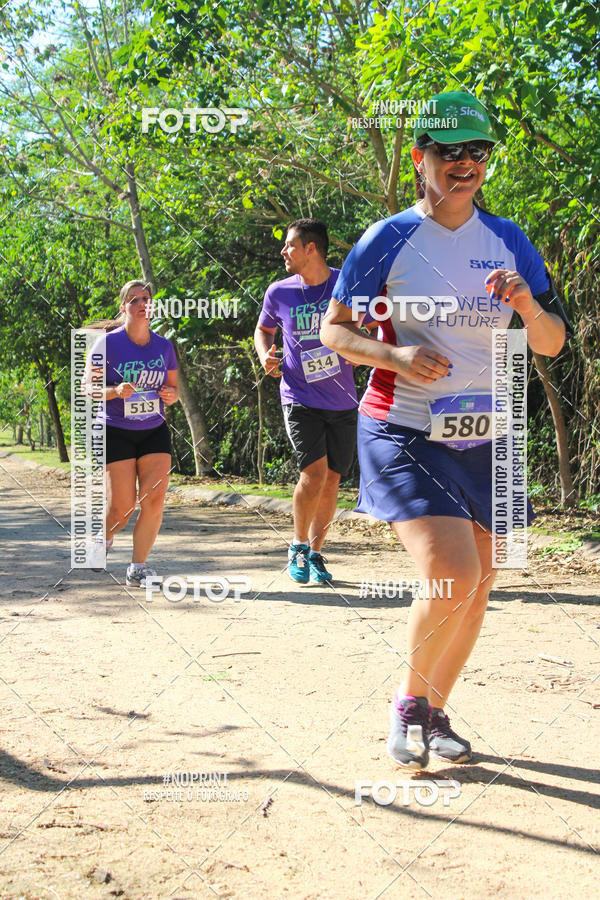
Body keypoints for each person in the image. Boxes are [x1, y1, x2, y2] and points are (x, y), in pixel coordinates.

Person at [320, 91, 571, 767]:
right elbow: (334, 330)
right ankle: (406, 705)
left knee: (479, 582)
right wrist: (394, 354)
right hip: (403, 428)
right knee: (452, 573)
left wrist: (524, 303)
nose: (464, 164)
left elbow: (551, 342)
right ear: (419, 157)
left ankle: (431, 713)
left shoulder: (508, 239)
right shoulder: (388, 238)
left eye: (478, 152)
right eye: (449, 151)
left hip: (485, 435)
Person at [254, 219, 363, 584]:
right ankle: (297, 547)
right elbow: (263, 328)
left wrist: (361, 349)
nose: (284, 251)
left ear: (310, 249)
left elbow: (372, 326)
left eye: (290, 246)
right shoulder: (279, 292)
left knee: (332, 479)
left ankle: (316, 553)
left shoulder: (344, 285)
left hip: (343, 399)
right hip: (298, 396)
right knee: (312, 474)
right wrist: (263, 354)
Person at [88, 280, 180, 587]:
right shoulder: (108, 344)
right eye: (135, 299)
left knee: (154, 500)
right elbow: (88, 388)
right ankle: (105, 536)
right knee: (122, 508)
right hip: (115, 430)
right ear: (124, 307)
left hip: (153, 429)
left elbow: (173, 388)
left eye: (147, 298)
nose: (143, 303)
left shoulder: (164, 347)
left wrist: (170, 396)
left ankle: (138, 567)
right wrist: (115, 391)